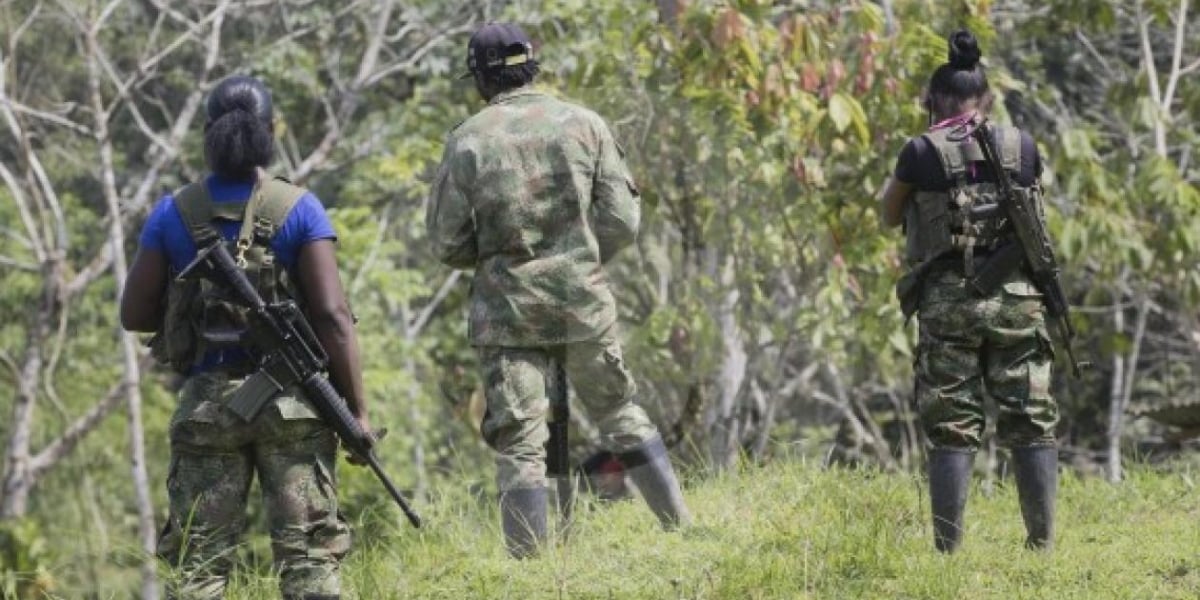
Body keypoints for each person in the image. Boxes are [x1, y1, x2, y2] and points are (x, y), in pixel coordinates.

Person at [427, 22, 691, 558]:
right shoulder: (584, 124)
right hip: (582, 304)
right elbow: (623, 220)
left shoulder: (467, 140)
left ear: (480, 78)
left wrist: (502, 259)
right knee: (619, 412)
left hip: (508, 314)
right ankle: (681, 531)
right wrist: (579, 260)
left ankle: (530, 572)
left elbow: (448, 243)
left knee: (521, 440)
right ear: (532, 66)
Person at [120, 75, 366, 599]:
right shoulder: (301, 208)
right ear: (271, 131)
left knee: (198, 568)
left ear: (208, 134)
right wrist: (356, 412)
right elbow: (333, 316)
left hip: (209, 409)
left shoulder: (174, 213)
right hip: (294, 407)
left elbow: (134, 314)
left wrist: (187, 304)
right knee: (310, 562)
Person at [879, 31, 1059, 553]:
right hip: (1018, 299)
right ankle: (1041, 543)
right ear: (988, 99)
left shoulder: (919, 151)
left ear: (932, 100)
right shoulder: (1023, 145)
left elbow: (888, 215)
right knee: (1030, 414)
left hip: (948, 300)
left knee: (952, 419)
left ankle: (948, 550)